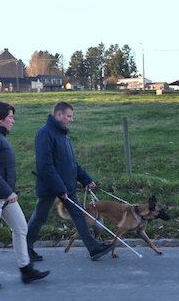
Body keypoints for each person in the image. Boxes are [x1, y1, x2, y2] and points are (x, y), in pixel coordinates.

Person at [0, 100, 49, 290]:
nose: (13, 121)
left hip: (3, 196)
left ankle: (26, 270)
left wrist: (7, 193)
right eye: (10, 118)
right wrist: (8, 191)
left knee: (21, 229)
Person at [27, 101, 115, 261]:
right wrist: (59, 188)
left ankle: (94, 248)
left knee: (79, 216)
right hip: (51, 186)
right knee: (40, 216)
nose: (71, 119)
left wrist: (85, 178)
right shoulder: (45, 133)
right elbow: (45, 165)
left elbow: (71, 162)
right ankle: (25, 249)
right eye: (69, 116)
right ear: (58, 115)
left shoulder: (64, 134)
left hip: (67, 186)